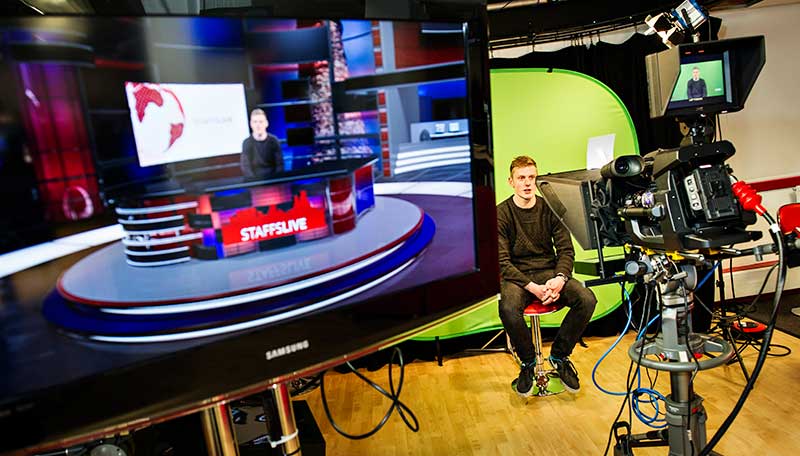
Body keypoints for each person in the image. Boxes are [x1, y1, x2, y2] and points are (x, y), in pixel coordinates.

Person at [497, 155, 597, 396]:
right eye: (522, 178)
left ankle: (560, 356)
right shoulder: (501, 213)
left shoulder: (550, 207)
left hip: (549, 271)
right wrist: (532, 287)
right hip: (518, 276)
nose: (528, 183)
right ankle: (528, 363)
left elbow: (565, 250)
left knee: (587, 299)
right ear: (511, 182)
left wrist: (560, 278)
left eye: (532, 177)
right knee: (508, 308)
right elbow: (502, 262)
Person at [240, 108, 284, 178]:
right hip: (255, 182)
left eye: (261, 122)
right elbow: (246, 167)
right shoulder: (247, 143)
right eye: (255, 122)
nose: (258, 125)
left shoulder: (274, 141)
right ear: (251, 124)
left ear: (266, 123)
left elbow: (280, 165)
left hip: (273, 180)